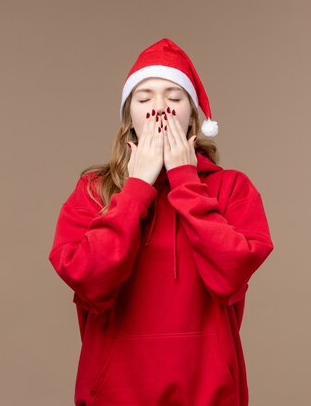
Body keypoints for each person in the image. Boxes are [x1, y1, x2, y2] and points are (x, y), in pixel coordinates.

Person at [48, 38, 274, 406]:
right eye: (144, 98)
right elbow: (88, 280)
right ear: (129, 116)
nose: (159, 109)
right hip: (115, 395)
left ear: (193, 115)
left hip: (209, 394)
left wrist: (185, 180)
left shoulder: (232, 188)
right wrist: (136, 188)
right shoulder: (93, 190)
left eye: (173, 97)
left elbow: (230, 273)